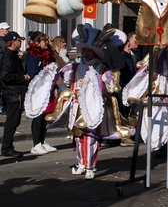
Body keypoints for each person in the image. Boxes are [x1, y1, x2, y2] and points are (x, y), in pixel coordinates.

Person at [42, 24, 131, 179]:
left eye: (89, 51)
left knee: (90, 137)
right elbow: (66, 80)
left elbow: (110, 88)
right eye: (85, 50)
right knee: (78, 137)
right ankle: (81, 163)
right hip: (77, 106)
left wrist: (108, 85)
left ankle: (90, 166)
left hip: (92, 107)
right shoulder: (75, 67)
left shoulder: (101, 68)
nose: (86, 53)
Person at [25, 32, 57, 155]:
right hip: (38, 90)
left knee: (45, 117)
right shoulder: (33, 56)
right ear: (37, 43)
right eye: (44, 41)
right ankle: (36, 144)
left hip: (47, 89)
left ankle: (42, 141)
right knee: (38, 115)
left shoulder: (48, 55)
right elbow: (34, 74)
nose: (47, 43)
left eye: (47, 41)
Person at [0, 32, 30, 157]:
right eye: (18, 40)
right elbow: (5, 76)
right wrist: (22, 78)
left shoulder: (13, 55)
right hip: (12, 93)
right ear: (13, 42)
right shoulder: (8, 56)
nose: (20, 42)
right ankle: (6, 148)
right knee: (12, 122)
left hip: (16, 92)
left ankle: (8, 146)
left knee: (14, 121)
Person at [0, 22, 9, 113]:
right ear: (0, 30)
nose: (7, 31)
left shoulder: (6, 40)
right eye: (6, 29)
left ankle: (4, 106)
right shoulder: (2, 41)